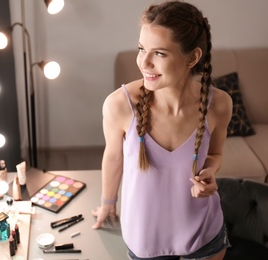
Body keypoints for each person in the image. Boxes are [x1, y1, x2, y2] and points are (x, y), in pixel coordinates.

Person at [92, 1, 233, 259]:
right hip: (145, 240)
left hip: (205, 235)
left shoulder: (220, 104)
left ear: (192, 57)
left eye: (159, 53)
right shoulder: (119, 105)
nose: (144, 62)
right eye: (141, 49)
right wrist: (107, 204)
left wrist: (210, 172)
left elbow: (216, 155)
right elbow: (113, 157)